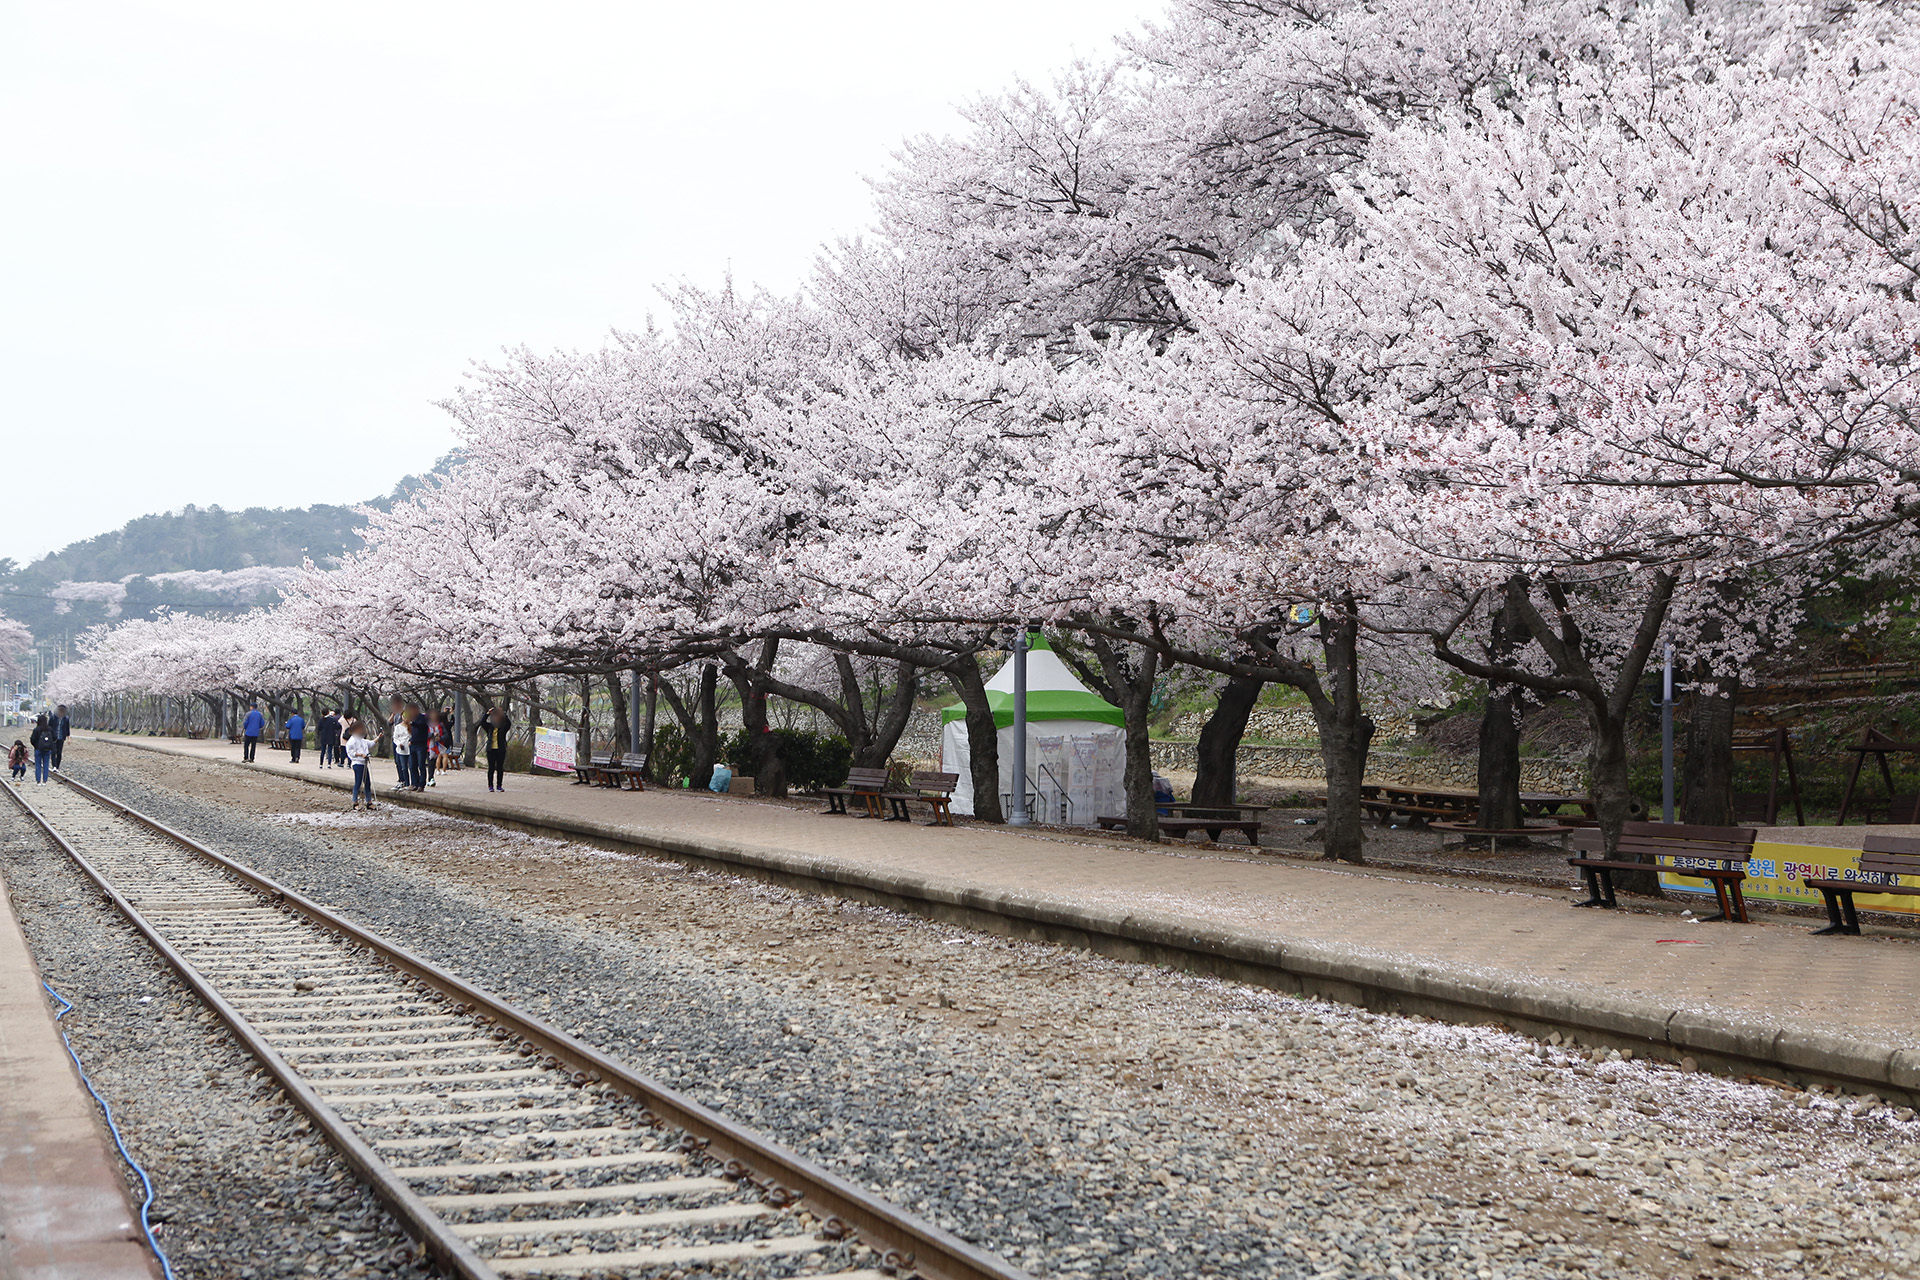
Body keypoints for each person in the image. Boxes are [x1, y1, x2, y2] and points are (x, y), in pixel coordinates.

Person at [343, 718, 375, 810]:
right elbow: (350, 753)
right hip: (357, 763)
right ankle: (355, 802)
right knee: (358, 782)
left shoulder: (361, 739)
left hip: (364, 763)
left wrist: (378, 738)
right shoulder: (351, 741)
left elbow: (369, 743)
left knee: (367, 782)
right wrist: (360, 754)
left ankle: (369, 802)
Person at [482, 705, 512, 793]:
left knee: (500, 768)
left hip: (500, 750)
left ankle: (499, 785)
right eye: (495, 717)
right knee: (491, 768)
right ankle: (490, 786)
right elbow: (482, 722)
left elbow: (509, 724)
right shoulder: (490, 727)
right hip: (491, 750)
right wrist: (487, 714)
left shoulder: (503, 727)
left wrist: (503, 714)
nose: (496, 718)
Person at [387, 697, 410, 790]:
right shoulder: (396, 715)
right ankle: (401, 779)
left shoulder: (406, 713)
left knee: (404, 763)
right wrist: (393, 714)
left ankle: (406, 781)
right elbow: (389, 723)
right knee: (397, 761)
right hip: (396, 741)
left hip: (404, 742)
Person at [406, 704, 429, 792]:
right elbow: (413, 732)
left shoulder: (423, 718)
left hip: (421, 745)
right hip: (413, 744)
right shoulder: (413, 719)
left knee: (421, 764)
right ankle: (414, 783)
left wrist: (411, 722)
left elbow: (421, 726)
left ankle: (421, 784)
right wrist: (410, 740)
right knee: (412, 765)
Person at [425, 708, 447, 787]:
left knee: (431, 763)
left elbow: (446, 735)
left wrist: (440, 738)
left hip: (435, 747)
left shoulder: (440, 725)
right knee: (421, 764)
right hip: (425, 745)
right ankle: (421, 779)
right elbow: (422, 734)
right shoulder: (425, 724)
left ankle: (431, 778)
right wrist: (431, 735)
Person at [29, 714, 54, 784]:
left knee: (38, 765)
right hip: (47, 749)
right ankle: (45, 781)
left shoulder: (36, 729)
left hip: (38, 749)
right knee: (46, 765)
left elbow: (32, 739)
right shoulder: (50, 729)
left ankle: (38, 781)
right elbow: (54, 738)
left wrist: (36, 746)